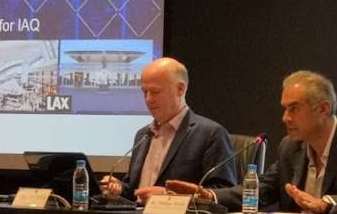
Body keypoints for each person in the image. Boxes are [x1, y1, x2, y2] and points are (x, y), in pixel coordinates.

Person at [168, 70, 337, 214]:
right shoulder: (290, 147)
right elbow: (262, 191)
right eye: (285, 109)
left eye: (294, 109)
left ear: (323, 109)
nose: (285, 118)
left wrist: (326, 204)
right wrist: (210, 196)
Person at [100, 57, 237, 202]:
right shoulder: (143, 135)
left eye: (155, 91)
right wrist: (120, 188)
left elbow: (221, 192)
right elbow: (136, 191)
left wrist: (169, 196)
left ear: (180, 89)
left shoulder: (210, 134)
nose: (148, 99)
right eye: (145, 92)